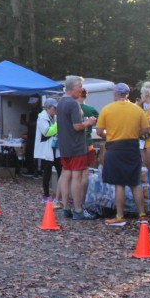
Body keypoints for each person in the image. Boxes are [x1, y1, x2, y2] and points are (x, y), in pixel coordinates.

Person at [95, 83, 149, 226]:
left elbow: (99, 131)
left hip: (115, 148)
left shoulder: (107, 109)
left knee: (119, 183)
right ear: (127, 94)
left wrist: (109, 136)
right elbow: (145, 129)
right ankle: (142, 215)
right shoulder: (137, 109)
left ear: (115, 94)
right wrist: (135, 134)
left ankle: (120, 216)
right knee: (135, 182)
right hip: (132, 147)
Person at [54, 76, 97, 219]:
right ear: (72, 87)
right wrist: (89, 122)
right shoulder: (73, 104)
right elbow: (77, 126)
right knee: (77, 177)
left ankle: (66, 207)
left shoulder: (60, 102)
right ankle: (78, 210)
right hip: (76, 146)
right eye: (80, 86)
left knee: (66, 175)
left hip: (64, 146)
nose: (82, 89)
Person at [34, 98, 60, 204]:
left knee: (60, 171)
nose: (56, 110)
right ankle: (46, 195)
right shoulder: (42, 117)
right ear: (48, 108)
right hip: (47, 149)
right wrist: (58, 124)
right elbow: (47, 132)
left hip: (55, 148)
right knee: (47, 172)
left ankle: (60, 195)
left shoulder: (54, 117)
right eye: (54, 108)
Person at [78, 87, 99, 167]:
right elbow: (101, 122)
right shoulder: (90, 109)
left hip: (74, 143)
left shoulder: (71, 108)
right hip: (88, 141)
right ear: (86, 96)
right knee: (88, 166)